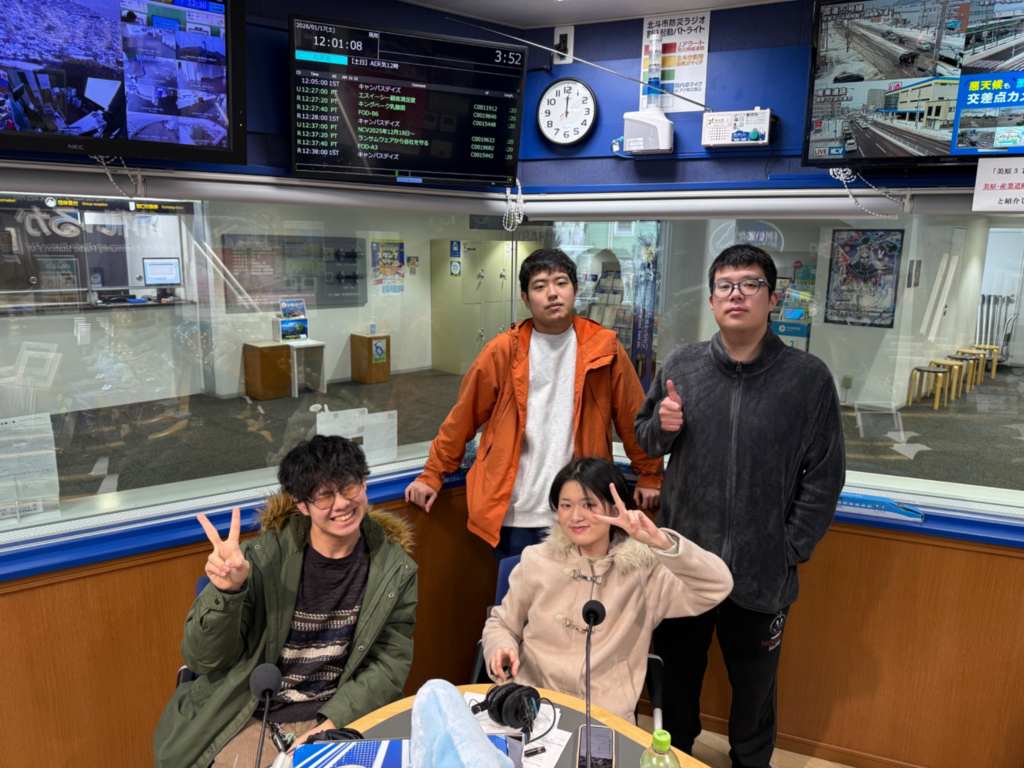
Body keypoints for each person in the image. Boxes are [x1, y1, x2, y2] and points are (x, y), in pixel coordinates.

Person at [633, 244, 845, 768]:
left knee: (754, 696)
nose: (736, 295)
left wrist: (788, 547)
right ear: (711, 300)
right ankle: (675, 759)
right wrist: (662, 426)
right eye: (725, 286)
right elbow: (646, 439)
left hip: (761, 572)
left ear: (773, 299)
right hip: (684, 564)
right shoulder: (682, 366)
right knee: (676, 685)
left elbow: (825, 475)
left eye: (750, 284)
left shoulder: (807, 378)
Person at [153, 435, 418, 768]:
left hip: (340, 711)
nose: (340, 504)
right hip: (251, 712)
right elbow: (202, 659)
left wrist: (328, 726)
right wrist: (227, 594)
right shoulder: (261, 559)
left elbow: (388, 664)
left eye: (348, 486)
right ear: (301, 504)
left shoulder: (395, 570)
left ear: (364, 483)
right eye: (324, 495)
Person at [405, 248, 663, 560]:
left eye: (561, 283)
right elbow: (463, 418)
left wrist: (650, 473)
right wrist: (433, 473)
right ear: (526, 299)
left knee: (585, 590)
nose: (552, 293)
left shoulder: (604, 347)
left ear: (575, 290)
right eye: (540, 286)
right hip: (517, 510)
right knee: (515, 590)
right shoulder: (503, 351)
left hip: (584, 509)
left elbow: (632, 415)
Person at [481, 457, 733, 722]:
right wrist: (500, 647)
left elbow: (717, 585)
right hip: (531, 703)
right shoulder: (536, 559)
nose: (575, 517)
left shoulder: (644, 572)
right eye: (566, 505)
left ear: (615, 510)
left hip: (604, 714)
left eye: (589, 505)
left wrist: (659, 541)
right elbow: (501, 624)